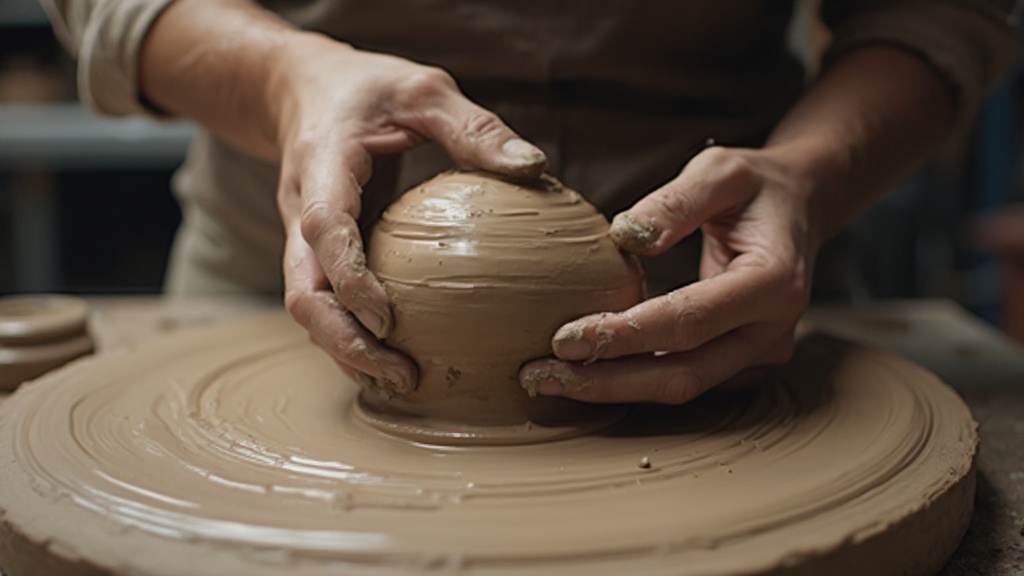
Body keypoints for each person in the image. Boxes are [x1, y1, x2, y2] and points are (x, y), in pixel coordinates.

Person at [44, 0, 1016, 404]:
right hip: (288, 279)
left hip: (737, 299)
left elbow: (937, 11)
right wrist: (284, 81)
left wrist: (809, 173)